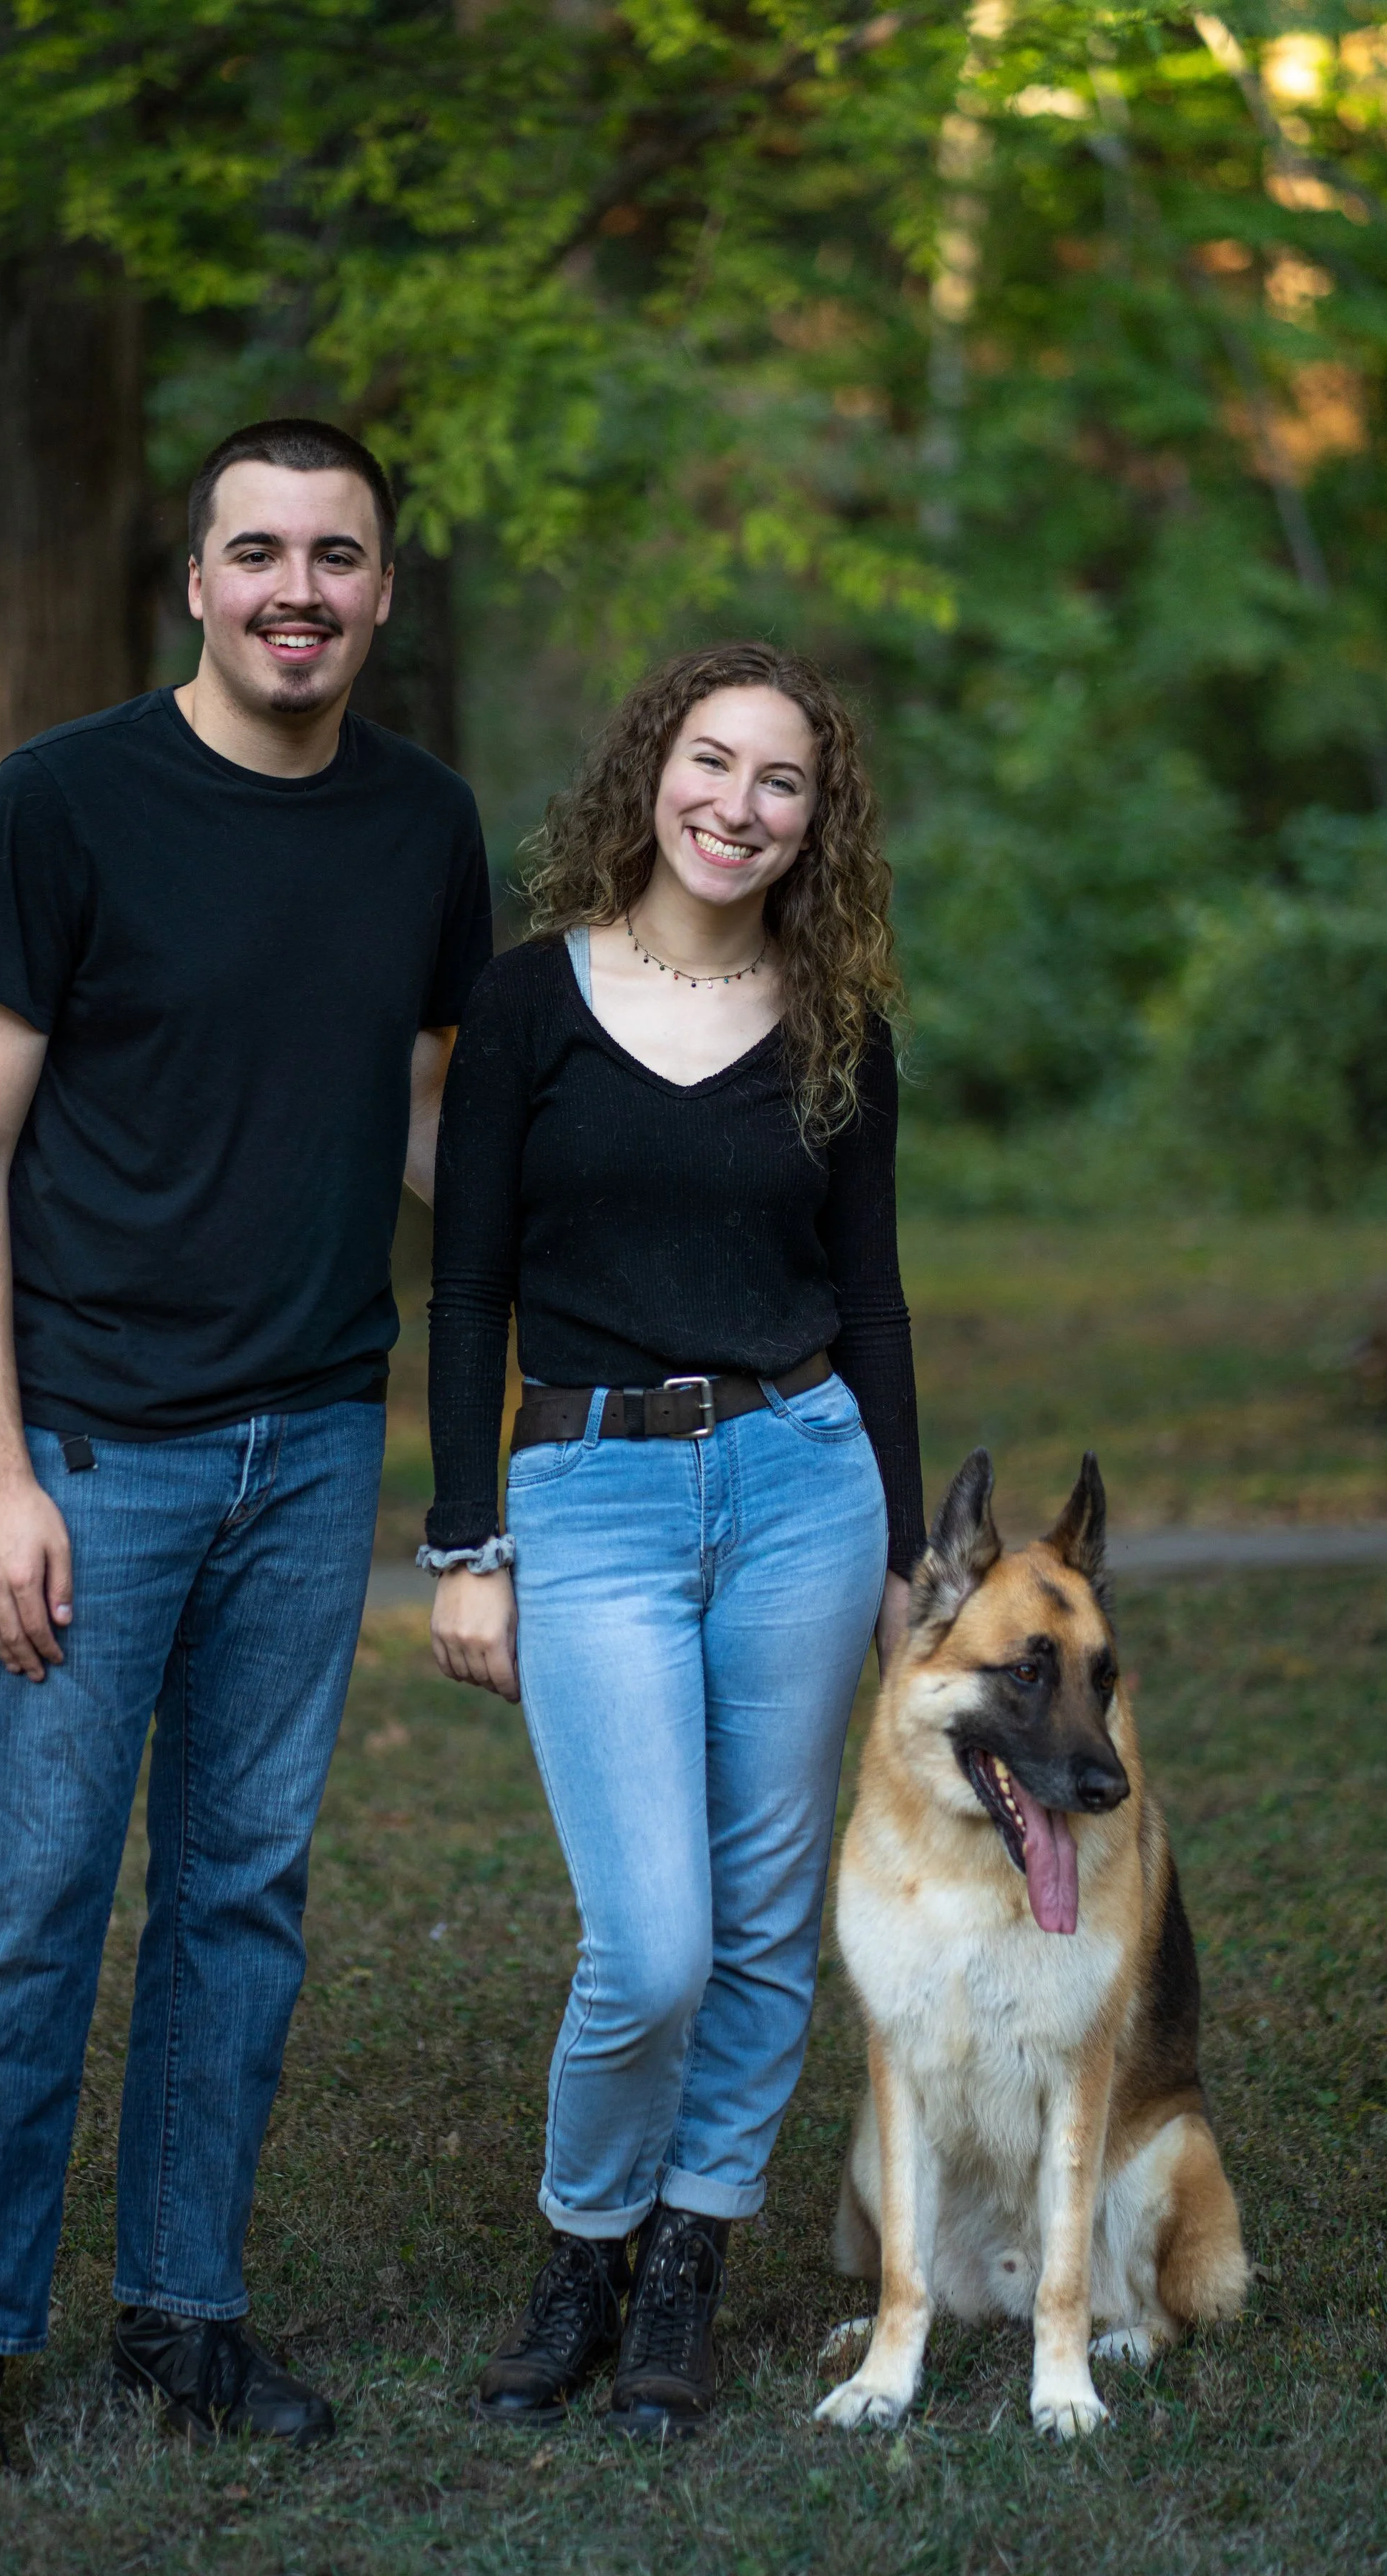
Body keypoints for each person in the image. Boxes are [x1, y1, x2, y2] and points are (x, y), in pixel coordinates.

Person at [0, 419, 494, 2484]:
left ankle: (183, 2319)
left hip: (309, 1450)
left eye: (337, 555)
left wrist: (621, 1230)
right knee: (29, 1904)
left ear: (384, 589)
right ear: (195, 583)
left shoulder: (426, 825)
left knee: (241, 1898)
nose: (296, 588)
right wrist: (2, 1471)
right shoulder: (66, 805)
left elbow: (417, 1122)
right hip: (90, 1460)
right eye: (258, 552)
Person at [422, 640, 923, 2439]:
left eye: (781, 781)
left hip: (805, 1479)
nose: (739, 806)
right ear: (652, 773)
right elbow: (467, 1285)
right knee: (650, 1942)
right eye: (712, 764)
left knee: (766, 1918)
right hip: (593, 1498)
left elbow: (874, 1309)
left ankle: (692, 2252)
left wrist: (905, 1572)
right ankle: (584, 2244)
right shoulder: (529, 1005)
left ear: (817, 818)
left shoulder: (842, 1023)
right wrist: (463, 1544)